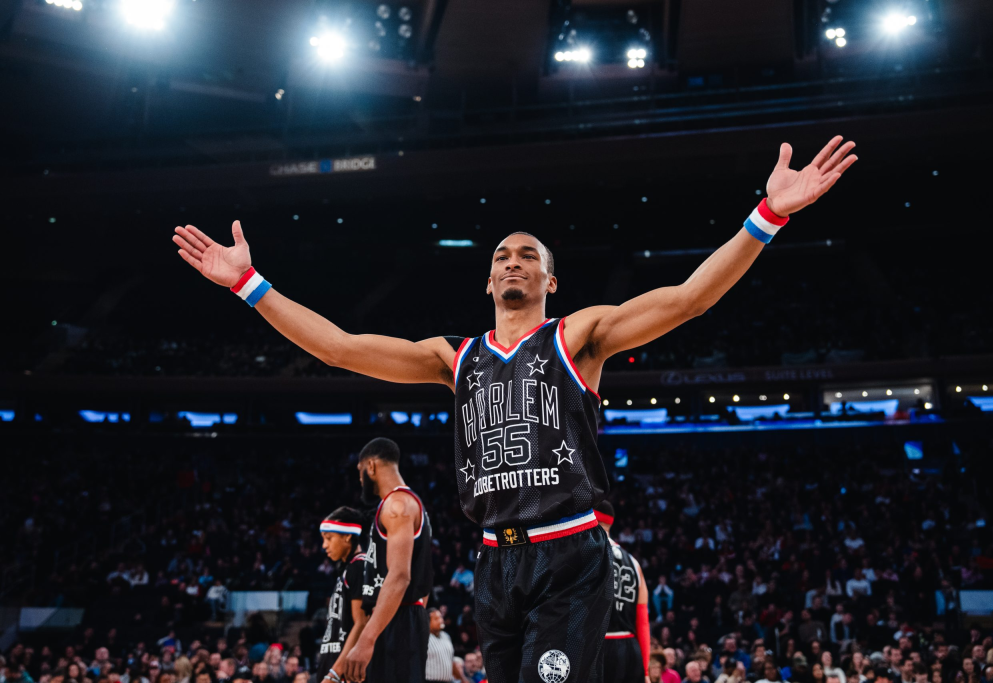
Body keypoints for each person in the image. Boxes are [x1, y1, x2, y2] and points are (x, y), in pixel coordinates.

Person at [172, 137, 857, 683]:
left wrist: (767, 216)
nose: (513, 261)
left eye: (529, 255)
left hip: (569, 552)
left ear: (550, 280)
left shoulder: (577, 336)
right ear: (489, 275)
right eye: (502, 254)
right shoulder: (456, 356)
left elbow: (687, 299)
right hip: (494, 564)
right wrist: (246, 283)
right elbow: (341, 348)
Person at [343, 438, 433, 683]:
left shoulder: (397, 505)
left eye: (360, 472)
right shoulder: (408, 504)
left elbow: (400, 576)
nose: (360, 479)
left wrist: (366, 639)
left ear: (371, 466)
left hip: (399, 620)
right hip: (401, 617)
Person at [596, 501, 651, 683]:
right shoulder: (635, 564)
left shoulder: (585, 555)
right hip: (630, 650)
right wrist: (645, 671)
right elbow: (642, 621)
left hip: (600, 647)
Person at [315, 507, 367, 683]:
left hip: (344, 672)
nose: (324, 545)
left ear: (347, 536)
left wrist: (335, 673)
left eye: (329, 538)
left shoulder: (359, 566)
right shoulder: (348, 568)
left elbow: (362, 623)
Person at [425, 608, 465, 683]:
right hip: (430, 681)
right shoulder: (424, 638)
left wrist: (463, 679)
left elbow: (451, 662)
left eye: (441, 617)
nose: (441, 620)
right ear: (428, 622)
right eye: (436, 619)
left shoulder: (446, 636)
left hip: (447, 681)